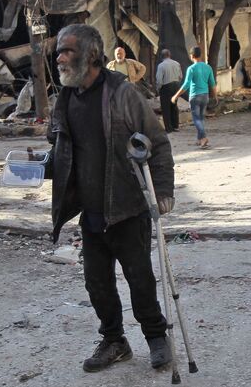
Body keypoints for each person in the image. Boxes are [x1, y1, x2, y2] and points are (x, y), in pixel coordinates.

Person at [47, 24, 175, 373]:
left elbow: (157, 142)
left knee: (140, 279)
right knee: (97, 283)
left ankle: (156, 337)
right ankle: (115, 341)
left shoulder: (122, 94)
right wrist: (42, 165)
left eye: (67, 50)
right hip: (90, 211)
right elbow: (61, 144)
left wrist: (163, 191)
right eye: (59, 49)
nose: (59, 57)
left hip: (127, 207)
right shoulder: (67, 96)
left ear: (89, 55)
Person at [172, 46, 216, 149]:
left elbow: (186, 85)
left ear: (191, 56)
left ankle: (204, 138)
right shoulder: (208, 67)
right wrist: (215, 95)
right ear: (200, 55)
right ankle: (199, 139)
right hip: (205, 96)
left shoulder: (191, 69)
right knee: (200, 118)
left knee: (196, 119)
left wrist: (176, 96)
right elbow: (213, 83)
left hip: (195, 96)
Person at [155, 49, 183, 132]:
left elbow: (159, 80)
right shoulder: (177, 63)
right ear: (169, 55)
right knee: (174, 106)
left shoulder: (161, 65)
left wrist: (158, 89)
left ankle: (168, 128)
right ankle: (176, 126)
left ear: (162, 56)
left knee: (166, 108)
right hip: (176, 86)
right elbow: (180, 76)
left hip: (166, 87)